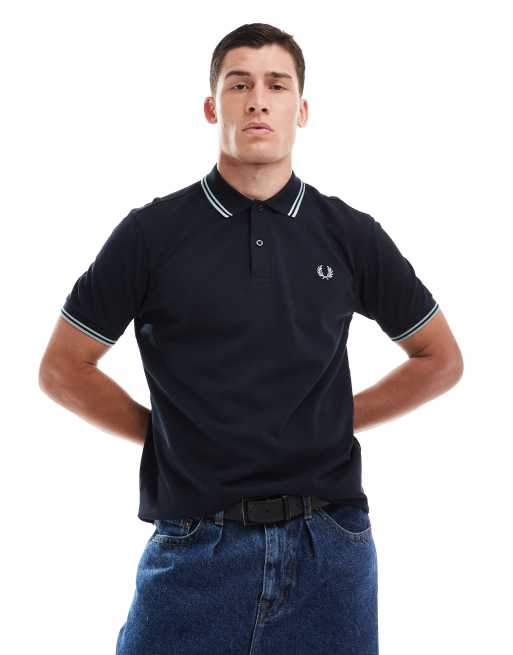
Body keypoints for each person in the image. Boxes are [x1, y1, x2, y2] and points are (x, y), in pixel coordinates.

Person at [38, 22, 464, 655]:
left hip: (330, 553)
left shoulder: (350, 234)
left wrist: (334, 419)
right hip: (194, 549)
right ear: (213, 107)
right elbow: (63, 368)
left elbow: (440, 359)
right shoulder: (151, 235)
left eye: (276, 85)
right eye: (239, 85)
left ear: (302, 109)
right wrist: (166, 435)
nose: (258, 100)